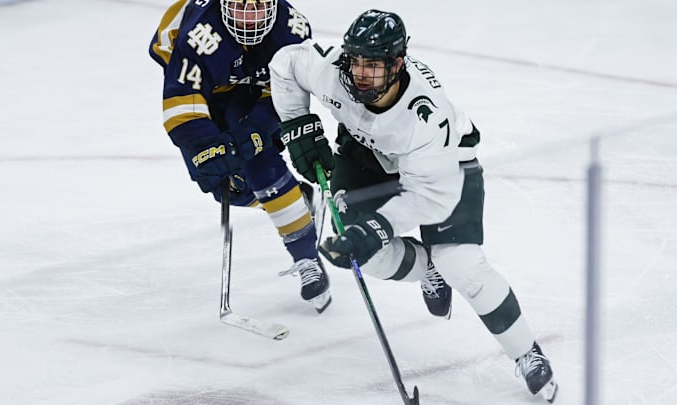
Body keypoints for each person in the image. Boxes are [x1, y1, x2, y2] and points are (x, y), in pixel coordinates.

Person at [269, 9, 558, 402]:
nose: (360, 74)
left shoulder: (425, 117)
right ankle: (427, 269)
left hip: (443, 169)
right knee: (367, 259)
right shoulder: (332, 69)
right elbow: (286, 62)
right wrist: (299, 128)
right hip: (366, 157)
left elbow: (429, 198)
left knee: (462, 265)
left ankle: (526, 352)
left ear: (397, 63)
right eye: (356, 62)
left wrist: (374, 229)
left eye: (372, 66)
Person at [148, 0, 331, 313]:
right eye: (241, 7)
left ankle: (306, 257)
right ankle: (295, 200)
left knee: (260, 161)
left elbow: (290, 94)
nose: (251, 18)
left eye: (259, 7)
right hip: (209, 94)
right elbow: (182, 102)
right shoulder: (197, 33)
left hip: (257, 95)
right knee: (225, 183)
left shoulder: (291, 30)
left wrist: (257, 129)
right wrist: (206, 147)